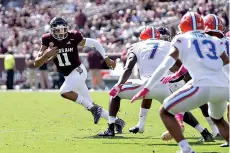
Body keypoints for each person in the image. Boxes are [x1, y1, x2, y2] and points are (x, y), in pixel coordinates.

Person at [131, 12, 229, 153]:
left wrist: (147, 87)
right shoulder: (215, 40)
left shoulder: (181, 39)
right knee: (218, 118)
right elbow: (227, 65)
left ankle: (186, 149)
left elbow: (165, 65)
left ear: (183, 26)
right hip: (222, 86)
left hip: (201, 85)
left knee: (165, 111)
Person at [98, 26, 212, 141]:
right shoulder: (168, 45)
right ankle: (204, 131)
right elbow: (179, 67)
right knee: (177, 107)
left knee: (114, 94)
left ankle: (111, 129)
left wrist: (119, 84)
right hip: (163, 86)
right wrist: (180, 79)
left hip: (145, 84)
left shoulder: (136, 46)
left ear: (142, 37)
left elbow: (128, 68)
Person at [34, 17, 125, 131]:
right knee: (90, 104)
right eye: (58, 30)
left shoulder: (74, 36)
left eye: (63, 30)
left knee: (64, 91)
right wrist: (45, 56)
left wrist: (106, 58)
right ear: (52, 31)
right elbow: (36, 63)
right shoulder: (47, 39)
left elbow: (95, 43)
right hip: (69, 75)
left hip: (78, 71)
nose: (61, 33)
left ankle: (94, 109)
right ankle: (118, 121)